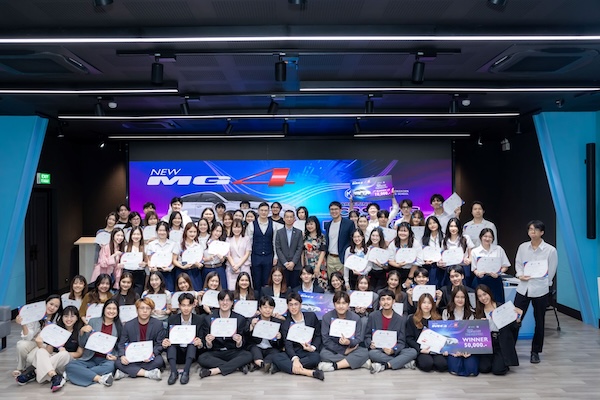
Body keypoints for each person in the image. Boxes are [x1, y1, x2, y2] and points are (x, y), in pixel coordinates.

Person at [514, 220, 558, 364]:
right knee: (515, 318)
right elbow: (518, 264)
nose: (532, 232)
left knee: (539, 321)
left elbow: (551, 270)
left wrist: (546, 283)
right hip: (523, 287)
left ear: (542, 232)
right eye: (530, 229)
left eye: (535, 230)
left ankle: (535, 351)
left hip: (540, 289)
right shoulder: (523, 247)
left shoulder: (550, 250)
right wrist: (520, 275)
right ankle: (510, 348)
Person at [66, 299, 121, 387]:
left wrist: (116, 356)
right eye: (109, 308)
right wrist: (82, 332)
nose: (111, 311)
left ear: (117, 311)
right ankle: (100, 378)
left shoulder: (119, 326)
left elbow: (120, 346)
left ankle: (78, 374)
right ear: (104, 309)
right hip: (90, 358)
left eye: (114, 309)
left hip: (106, 360)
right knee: (70, 366)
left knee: (110, 367)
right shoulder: (93, 321)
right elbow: (82, 344)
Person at [27, 305, 84, 391]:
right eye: (66, 316)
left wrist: (65, 352)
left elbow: (79, 354)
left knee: (64, 354)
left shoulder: (80, 331)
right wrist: (40, 344)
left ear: (77, 318)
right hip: (54, 358)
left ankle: (35, 372)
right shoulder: (55, 329)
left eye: (72, 316)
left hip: (68, 360)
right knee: (41, 351)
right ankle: (54, 376)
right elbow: (49, 351)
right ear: (62, 317)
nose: (69, 319)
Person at [198, 290, 253, 378]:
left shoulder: (240, 319)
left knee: (248, 355)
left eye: (228, 300)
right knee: (202, 358)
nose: (225, 303)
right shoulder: (208, 319)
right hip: (216, 352)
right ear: (218, 302)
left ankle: (214, 371)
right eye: (222, 300)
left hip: (233, 351)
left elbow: (244, 341)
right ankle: (237, 366)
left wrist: (239, 342)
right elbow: (206, 344)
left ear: (232, 302)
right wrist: (208, 343)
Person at [270, 292, 324, 380]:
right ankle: (309, 372)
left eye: (296, 304)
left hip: (307, 351)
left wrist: (312, 348)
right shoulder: (286, 323)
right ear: (287, 306)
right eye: (291, 305)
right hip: (294, 351)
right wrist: (295, 359)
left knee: (316, 357)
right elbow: (288, 345)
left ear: (300, 305)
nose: (293, 307)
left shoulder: (311, 316)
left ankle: (284, 366)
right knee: (276, 357)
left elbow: (318, 335)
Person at [365, 289, 418, 373]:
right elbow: (367, 335)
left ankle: (385, 365)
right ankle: (403, 362)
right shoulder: (373, 316)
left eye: (388, 299)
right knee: (371, 354)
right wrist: (370, 344)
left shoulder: (400, 319)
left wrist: (393, 350)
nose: (386, 302)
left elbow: (401, 341)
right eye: (383, 299)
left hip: (394, 350)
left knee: (412, 352)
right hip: (378, 349)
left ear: (393, 301)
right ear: (380, 302)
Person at [14, 295, 62, 383]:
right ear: (46, 303)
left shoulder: (58, 318)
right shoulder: (35, 314)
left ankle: (34, 371)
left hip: (46, 345)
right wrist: (23, 324)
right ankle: (20, 368)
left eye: (56, 306)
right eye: (51, 304)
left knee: (31, 357)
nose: (52, 308)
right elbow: (27, 337)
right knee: (21, 344)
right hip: (33, 341)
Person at [115, 297, 165, 380]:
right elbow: (121, 344)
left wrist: (152, 355)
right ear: (137, 309)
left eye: (148, 308)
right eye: (142, 308)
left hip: (149, 357)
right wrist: (123, 355)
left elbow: (159, 344)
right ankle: (148, 373)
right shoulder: (128, 325)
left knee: (159, 361)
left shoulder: (158, 324)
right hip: (133, 357)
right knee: (118, 362)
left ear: (151, 310)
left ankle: (127, 372)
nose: (145, 311)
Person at [318, 291, 369, 372]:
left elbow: (358, 339)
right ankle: (357, 362)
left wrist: (349, 342)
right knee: (323, 354)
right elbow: (326, 340)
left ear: (348, 305)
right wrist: (343, 351)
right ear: (334, 304)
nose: (341, 306)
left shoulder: (355, 318)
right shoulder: (326, 317)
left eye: (344, 303)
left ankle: (335, 366)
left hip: (351, 348)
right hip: (333, 349)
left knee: (364, 353)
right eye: (338, 303)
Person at [475, 284, 520, 375]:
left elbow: (513, 327)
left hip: (500, 341)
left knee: (498, 370)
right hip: (488, 343)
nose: (483, 298)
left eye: (484, 294)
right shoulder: (478, 311)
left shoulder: (502, 307)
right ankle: (494, 361)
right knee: (484, 368)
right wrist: (479, 324)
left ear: (489, 293)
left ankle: (501, 362)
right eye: (479, 296)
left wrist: (518, 319)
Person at [163, 293, 203, 385]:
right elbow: (167, 337)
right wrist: (166, 342)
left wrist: (199, 342)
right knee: (171, 344)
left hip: (191, 354)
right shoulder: (172, 319)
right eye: (183, 305)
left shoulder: (199, 319)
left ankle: (186, 372)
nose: (186, 308)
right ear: (179, 306)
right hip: (177, 353)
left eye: (189, 305)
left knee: (192, 343)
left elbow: (202, 339)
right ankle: (173, 372)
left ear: (193, 305)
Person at [405, 293, 447, 372]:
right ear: (420, 304)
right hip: (421, 349)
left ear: (433, 305)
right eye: (424, 302)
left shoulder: (438, 319)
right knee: (427, 365)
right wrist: (420, 349)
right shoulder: (413, 319)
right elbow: (409, 338)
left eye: (429, 303)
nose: (426, 305)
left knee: (442, 365)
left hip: (435, 350)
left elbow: (443, 336)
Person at [442, 285, 479, 376]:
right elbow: (445, 334)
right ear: (453, 298)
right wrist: (452, 350)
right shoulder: (446, 312)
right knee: (455, 369)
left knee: (471, 370)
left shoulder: (472, 313)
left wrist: (468, 350)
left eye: (462, 297)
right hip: (452, 347)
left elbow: (473, 335)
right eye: (457, 297)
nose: (460, 300)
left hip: (468, 347)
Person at [247, 202, 281, 288]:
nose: (263, 212)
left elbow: (274, 241)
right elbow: (249, 243)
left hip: (268, 256)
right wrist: (248, 258)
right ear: (258, 211)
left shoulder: (273, 225)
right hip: (255, 256)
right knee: (256, 280)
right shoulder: (251, 225)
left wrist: (275, 256)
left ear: (269, 212)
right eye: (262, 210)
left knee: (267, 281)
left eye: (266, 210)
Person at [471, 228, 510, 303]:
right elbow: (474, 268)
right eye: (485, 236)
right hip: (480, 280)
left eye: (490, 237)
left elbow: (505, 266)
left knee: (497, 303)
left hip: (495, 279)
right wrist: (478, 273)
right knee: (481, 303)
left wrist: (498, 273)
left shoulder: (498, 249)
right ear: (481, 237)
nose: (487, 239)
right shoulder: (475, 251)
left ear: (493, 239)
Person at [247, 296, 284, 371]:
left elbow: (280, 345)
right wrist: (251, 327)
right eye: (265, 307)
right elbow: (246, 338)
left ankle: (258, 364)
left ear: (273, 309)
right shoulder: (253, 320)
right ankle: (263, 364)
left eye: (270, 308)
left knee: (276, 353)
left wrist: (279, 338)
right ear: (260, 308)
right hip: (257, 346)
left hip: (271, 348)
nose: (268, 310)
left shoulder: (277, 322)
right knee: (255, 351)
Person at [439, 217, 474, 288]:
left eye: (455, 226)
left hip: (463, 267)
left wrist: (469, 260)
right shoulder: (444, 240)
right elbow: (442, 255)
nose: (453, 228)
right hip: (450, 268)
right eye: (451, 226)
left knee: (464, 288)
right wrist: (441, 262)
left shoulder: (465, 238)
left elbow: (471, 253)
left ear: (459, 227)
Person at [146, 221, 179, 292]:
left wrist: (170, 268)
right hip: (155, 274)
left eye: (164, 230)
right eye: (160, 230)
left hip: (168, 274)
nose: (162, 232)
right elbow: (149, 259)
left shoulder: (173, 244)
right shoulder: (151, 244)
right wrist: (151, 268)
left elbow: (174, 260)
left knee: (168, 293)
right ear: (157, 231)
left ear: (168, 231)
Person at [324, 201, 355, 277]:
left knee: (342, 281)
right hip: (330, 258)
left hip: (342, 258)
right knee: (331, 280)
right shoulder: (328, 225)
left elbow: (353, 240)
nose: (334, 211)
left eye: (336, 209)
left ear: (340, 210)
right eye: (332, 209)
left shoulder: (349, 223)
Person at [275, 210, 304, 289]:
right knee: (283, 288)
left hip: (295, 265)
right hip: (283, 265)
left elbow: (300, 248)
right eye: (287, 217)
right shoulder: (279, 232)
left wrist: (293, 262)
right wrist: (285, 263)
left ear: (294, 219)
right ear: (284, 218)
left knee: (295, 288)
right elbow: (278, 248)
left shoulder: (298, 232)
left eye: (291, 217)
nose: (289, 219)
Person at [388, 222, 422, 288]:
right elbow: (390, 260)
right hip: (396, 269)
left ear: (409, 232)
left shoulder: (415, 243)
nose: (402, 233)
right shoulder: (393, 243)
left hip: (411, 271)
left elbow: (417, 262)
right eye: (400, 231)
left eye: (405, 231)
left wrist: (410, 278)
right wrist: (398, 265)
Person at [173, 222, 205, 290]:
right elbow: (174, 260)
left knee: (196, 291)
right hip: (181, 271)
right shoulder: (179, 244)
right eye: (190, 232)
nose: (192, 234)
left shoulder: (198, 246)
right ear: (186, 232)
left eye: (194, 232)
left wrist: (199, 265)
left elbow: (201, 259)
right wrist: (182, 267)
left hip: (195, 272)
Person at [124, 226, 149, 296]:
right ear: (131, 236)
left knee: (137, 295)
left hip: (140, 274)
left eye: (138, 234)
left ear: (141, 236)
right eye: (134, 234)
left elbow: (148, 261)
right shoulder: (126, 247)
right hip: (128, 273)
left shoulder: (145, 247)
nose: (136, 236)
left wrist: (145, 264)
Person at [202, 222, 228, 288]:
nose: (218, 233)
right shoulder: (204, 241)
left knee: (221, 289)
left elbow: (223, 260)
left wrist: (221, 258)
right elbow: (199, 258)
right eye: (216, 231)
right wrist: (207, 259)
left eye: (220, 231)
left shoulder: (223, 243)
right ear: (212, 230)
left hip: (218, 268)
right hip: (207, 268)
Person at [421, 215, 444, 288]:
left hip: (441, 265)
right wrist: (425, 261)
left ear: (438, 224)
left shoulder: (444, 236)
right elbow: (421, 252)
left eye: (434, 223)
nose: (432, 225)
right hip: (429, 265)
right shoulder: (424, 238)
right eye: (430, 223)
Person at [365, 227, 391, 291]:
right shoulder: (367, 248)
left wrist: (381, 265)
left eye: (377, 236)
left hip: (381, 274)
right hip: (370, 273)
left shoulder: (385, 249)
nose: (375, 238)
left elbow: (387, 267)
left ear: (380, 237)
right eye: (373, 235)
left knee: (379, 291)